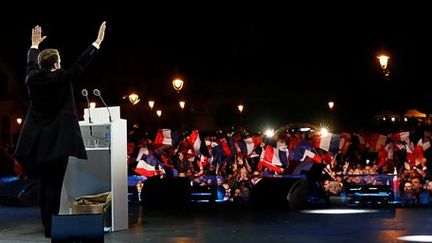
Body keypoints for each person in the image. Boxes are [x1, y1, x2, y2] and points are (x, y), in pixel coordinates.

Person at [14, 21, 106, 237]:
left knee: (45, 184)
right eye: (60, 61)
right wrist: (97, 42)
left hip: (38, 142)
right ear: (55, 64)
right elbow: (81, 65)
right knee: (55, 185)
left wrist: (33, 45)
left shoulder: (32, 79)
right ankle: (51, 229)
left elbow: (30, 64)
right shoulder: (62, 77)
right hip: (60, 141)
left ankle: (47, 224)